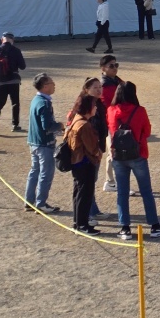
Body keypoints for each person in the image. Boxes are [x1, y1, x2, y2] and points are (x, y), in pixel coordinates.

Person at [107, 81, 160, 239]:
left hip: (118, 156)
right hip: (138, 154)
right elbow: (147, 131)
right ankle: (154, 226)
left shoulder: (111, 110)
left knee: (122, 192)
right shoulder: (140, 111)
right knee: (146, 191)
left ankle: (125, 227)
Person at [66, 78, 110, 220]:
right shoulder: (85, 106)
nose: (99, 89)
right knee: (86, 183)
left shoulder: (98, 104)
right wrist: (96, 150)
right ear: (86, 89)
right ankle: (86, 214)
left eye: (100, 87)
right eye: (95, 87)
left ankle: (92, 210)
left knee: (91, 181)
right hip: (86, 152)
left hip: (96, 147)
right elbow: (87, 132)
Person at [25, 73, 63, 214]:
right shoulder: (45, 103)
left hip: (33, 142)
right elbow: (47, 125)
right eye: (52, 83)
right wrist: (60, 125)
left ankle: (29, 201)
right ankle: (41, 203)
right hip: (44, 143)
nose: (54, 85)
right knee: (46, 174)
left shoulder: (36, 100)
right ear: (45, 86)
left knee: (34, 171)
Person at [65, 94, 103, 234]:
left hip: (77, 163)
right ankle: (82, 225)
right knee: (85, 195)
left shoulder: (76, 120)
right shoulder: (85, 125)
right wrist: (98, 153)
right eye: (94, 106)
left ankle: (78, 222)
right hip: (85, 163)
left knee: (78, 193)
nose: (96, 108)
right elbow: (92, 148)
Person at [98, 55, 127, 194]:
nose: (115, 68)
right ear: (103, 68)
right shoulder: (104, 86)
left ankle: (111, 182)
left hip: (119, 121)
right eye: (111, 66)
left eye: (116, 65)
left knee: (115, 152)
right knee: (114, 152)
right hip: (111, 123)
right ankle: (112, 182)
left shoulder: (117, 81)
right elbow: (108, 106)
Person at [0, 31, 26, 136]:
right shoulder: (16, 50)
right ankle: (15, 125)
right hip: (13, 81)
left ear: (2, 39)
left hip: (0, 82)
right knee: (15, 103)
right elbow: (23, 66)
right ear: (12, 40)